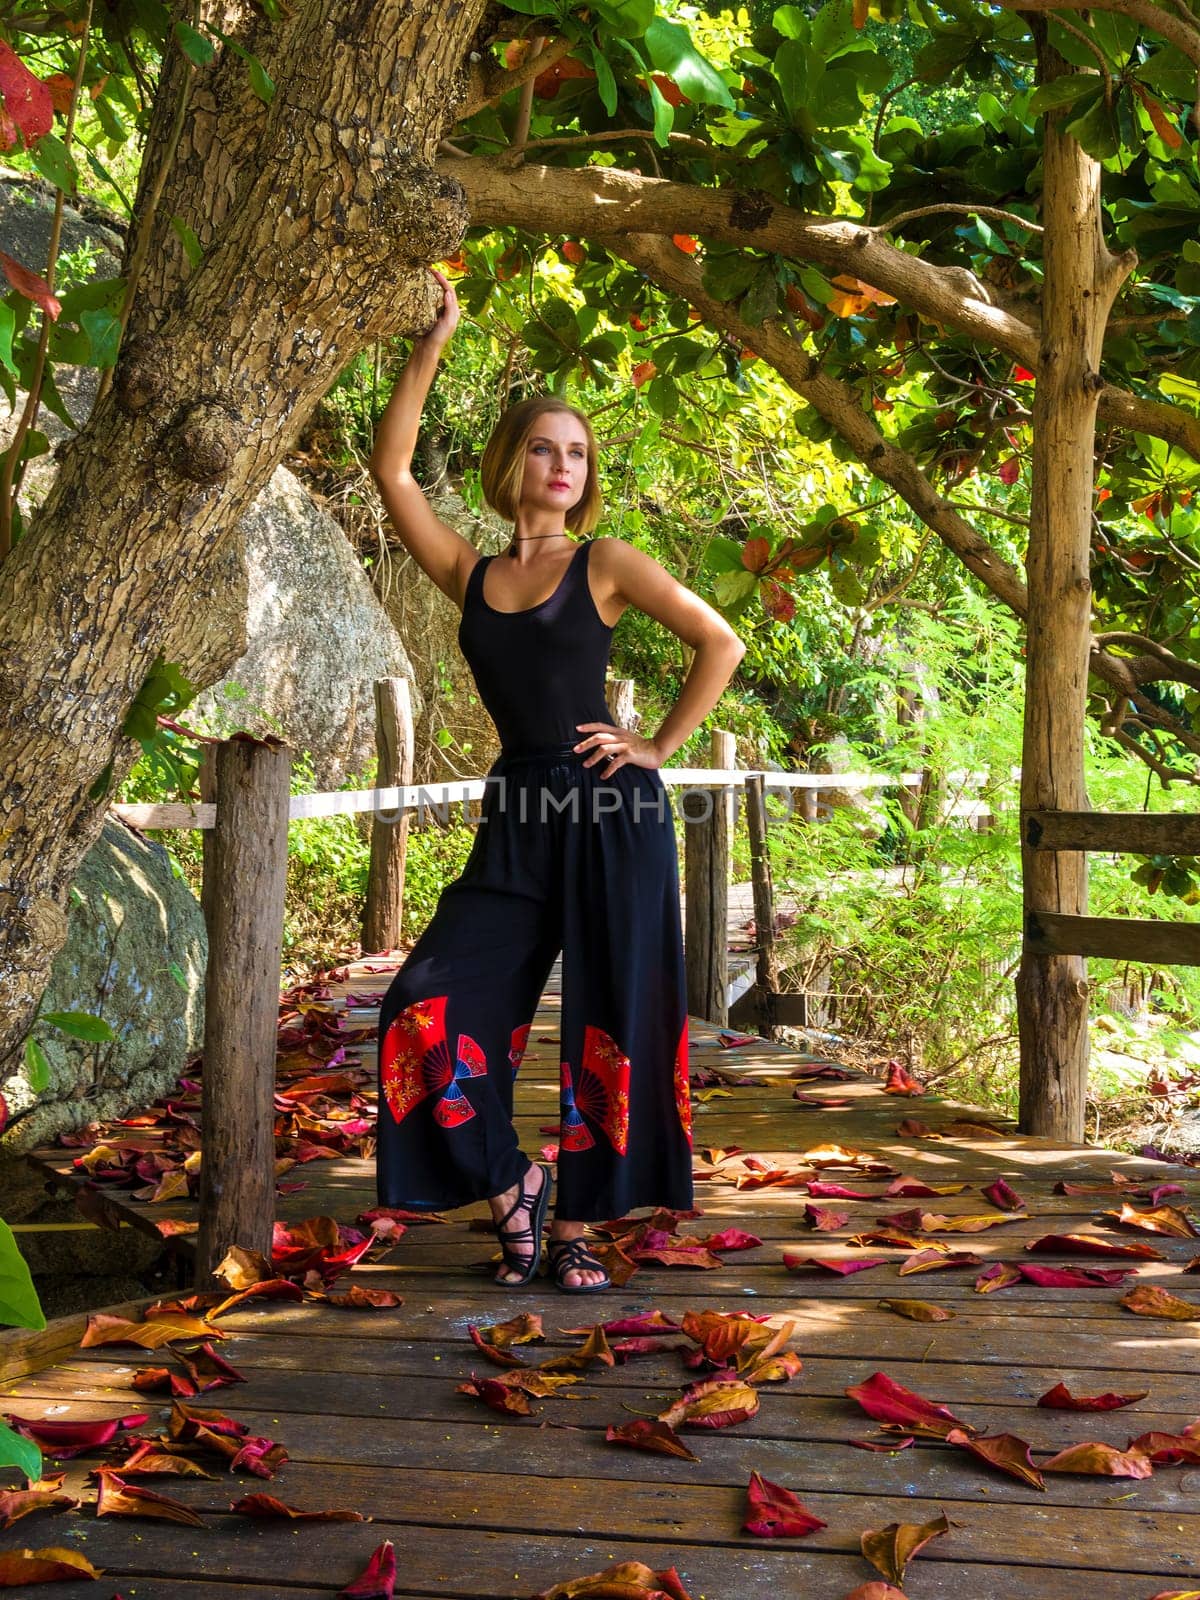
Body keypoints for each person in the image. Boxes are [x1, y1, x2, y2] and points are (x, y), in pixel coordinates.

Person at [367, 270, 746, 1293]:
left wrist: (657, 746)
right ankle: (512, 1189)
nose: (564, 464)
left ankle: (577, 1225)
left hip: (611, 808)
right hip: (519, 819)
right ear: (512, 463)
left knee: (611, 1024)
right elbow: (394, 469)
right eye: (546, 446)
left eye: (578, 452)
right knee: (421, 1006)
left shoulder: (607, 562)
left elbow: (721, 640)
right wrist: (431, 341)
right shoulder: (471, 572)